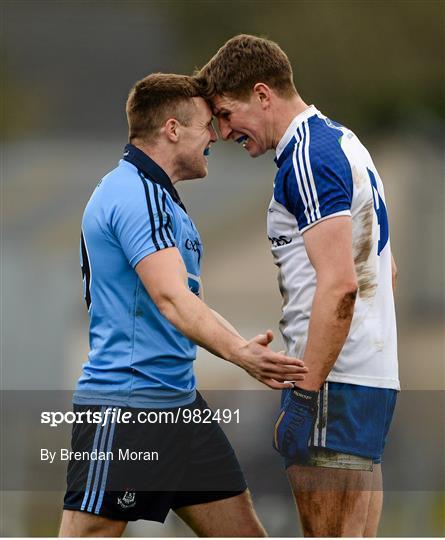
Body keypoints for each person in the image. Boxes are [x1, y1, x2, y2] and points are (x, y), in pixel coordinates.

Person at [59, 73, 308, 537]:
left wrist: (244, 349)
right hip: (130, 407)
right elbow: (172, 300)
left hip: (180, 407)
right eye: (206, 125)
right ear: (172, 129)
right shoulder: (133, 192)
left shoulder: (165, 201)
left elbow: (189, 302)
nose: (216, 135)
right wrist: (240, 356)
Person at [196, 35, 400, 537]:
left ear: (263, 95)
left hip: (334, 382)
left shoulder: (306, 155)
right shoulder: (342, 140)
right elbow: (385, 273)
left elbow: (341, 285)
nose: (221, 132)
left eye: (225, 114)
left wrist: (305, 398)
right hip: (366, 377)